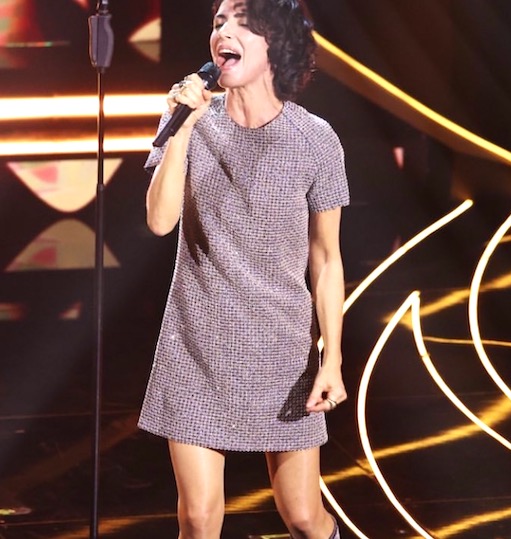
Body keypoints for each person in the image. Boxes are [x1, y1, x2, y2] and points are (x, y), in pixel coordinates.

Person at [138, 0, 350, 537]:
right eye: (219, 22)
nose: (224, 33)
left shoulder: (316, 139)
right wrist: (184, 126)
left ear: (277, 45)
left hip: (281, 349)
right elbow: (159, 221)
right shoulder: (189, 119)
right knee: (198, 517)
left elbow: (326, 258)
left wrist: (332, 358)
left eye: (243, 23)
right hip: (195, 344)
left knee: (302, 516)